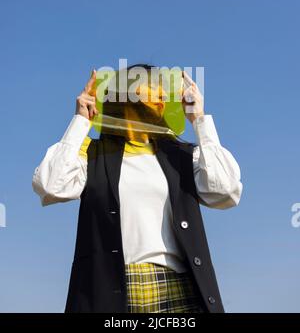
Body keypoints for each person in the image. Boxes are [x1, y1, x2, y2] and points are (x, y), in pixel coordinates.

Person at [32, 63, 242, 313]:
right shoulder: (91, 153)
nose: (163, 95)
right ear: (125, 94)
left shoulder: (183, 155)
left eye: (164, 90)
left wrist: (200, 122)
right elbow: (50, 186)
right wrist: (80, 121)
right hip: (109, 290)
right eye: (154, 87)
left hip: (178, 286)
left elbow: (225, 192)